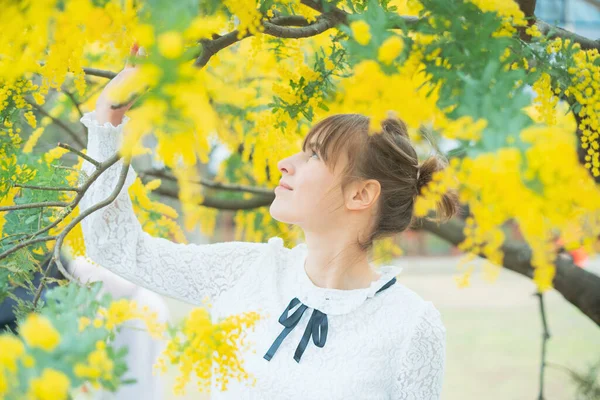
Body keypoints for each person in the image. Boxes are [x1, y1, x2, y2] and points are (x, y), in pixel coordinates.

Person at [78, 46, 459, 399]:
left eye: (314, 156)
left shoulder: (411, 326)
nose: (286, 162)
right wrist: (108, 118)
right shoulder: (246, 272)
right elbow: (116, 247)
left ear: (361, 194)